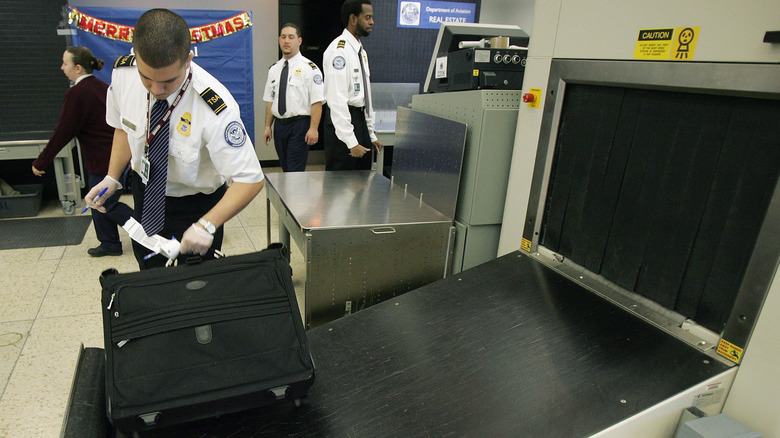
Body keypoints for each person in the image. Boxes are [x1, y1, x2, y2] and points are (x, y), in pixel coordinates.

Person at [85, 8, 265, 269]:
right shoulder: (124, 74)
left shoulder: (215, 105)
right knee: (150, 274)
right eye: (147, 79)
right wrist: (112, 178)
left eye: (168, 81)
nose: (157, 90)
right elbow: (123, 128)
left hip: (196, 204)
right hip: (145, 194)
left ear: (188, 59)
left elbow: (250, 179)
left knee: (196, 285)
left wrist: (207, 224)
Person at [33, 47, 133, 257]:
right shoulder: (101, 87)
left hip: (102, 158)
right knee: (100, 202)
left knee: (102, 202)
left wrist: (41, 162)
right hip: (115, 155)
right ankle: (110, 243)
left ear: (78, 68)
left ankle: (145, 232)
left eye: (65, 64)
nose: (62, 68)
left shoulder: (78, 93)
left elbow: (63, 131)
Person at [322, 0, 383, 171]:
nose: (372, 22)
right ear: (353, 19)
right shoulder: (339, 51)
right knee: (339, 188)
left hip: (360, 121)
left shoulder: (360, 51)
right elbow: (336, 101)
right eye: (368, 17)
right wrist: (350, 141)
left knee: (362, 183)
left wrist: (371, 134)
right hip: (343, 124)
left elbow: (366, 97)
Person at [263, 23, 325, 172]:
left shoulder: (310, 69)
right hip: (279, 126)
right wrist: (267, 127)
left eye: (291, 37)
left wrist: (313, 128)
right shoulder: (274, 69)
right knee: (286, 169)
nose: (286, 41)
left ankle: (295, 196)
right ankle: (289, 195)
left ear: (299, 41)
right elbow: (270, 100)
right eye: (283, 37)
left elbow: (317, 102)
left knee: (294, 171)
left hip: (300, 126)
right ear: (279, 40)